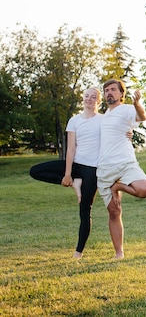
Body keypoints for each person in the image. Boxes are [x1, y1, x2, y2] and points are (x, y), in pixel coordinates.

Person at [29, 87, 103, 259]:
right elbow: (71, 148)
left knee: (85, 210)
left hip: (93, 169)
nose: (89, 99)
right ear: (82, 99)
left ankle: (78, 253)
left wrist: (128, 134)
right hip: (76, 164)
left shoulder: (103, 120)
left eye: (93, 97)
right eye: (86, 96)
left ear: (98, 101)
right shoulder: (74, 120)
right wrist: (68, 174)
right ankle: (75, 182)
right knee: (35, 171)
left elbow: (117, 133)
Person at [96, 78, 146, 259]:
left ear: (121, 94)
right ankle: (119, 252)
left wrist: (137, 104)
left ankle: (118, 186)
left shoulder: (127, 109)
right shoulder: (102, 117)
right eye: (106, 90)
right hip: (105, 168)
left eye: (113, 89)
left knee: (144, 190)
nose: (109, 93)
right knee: (114, 211)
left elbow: (142, 117)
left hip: (126, 163)